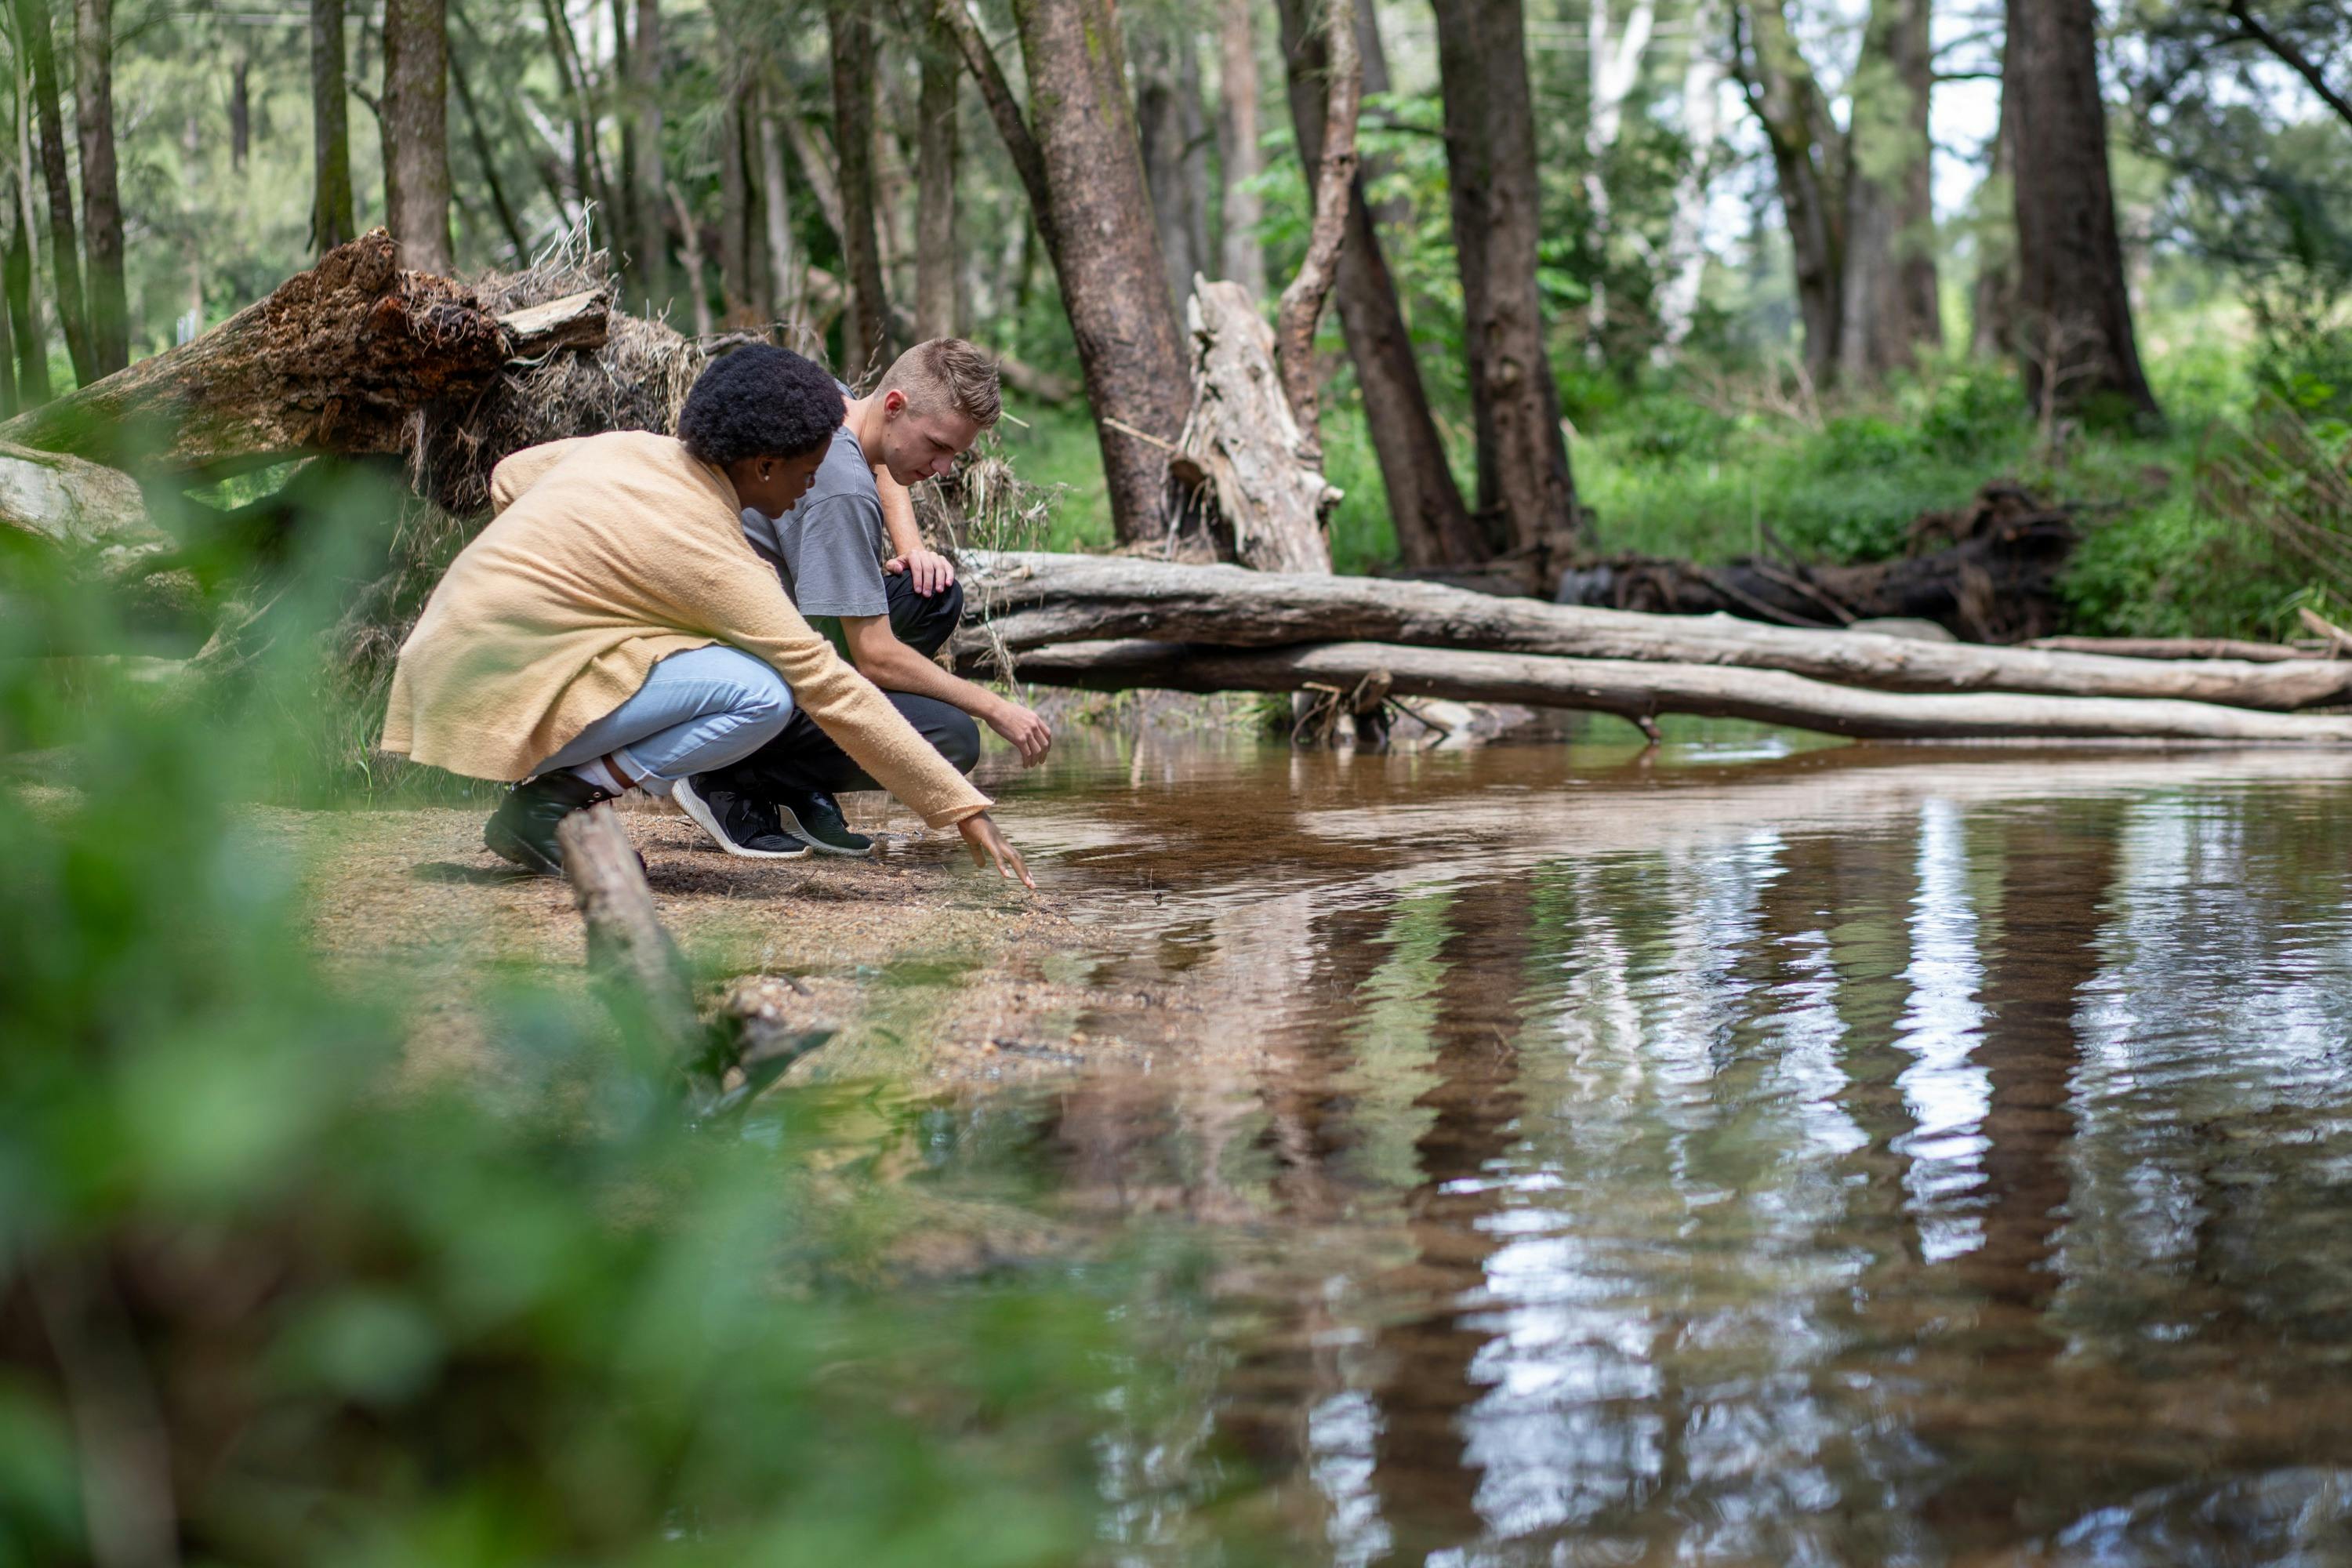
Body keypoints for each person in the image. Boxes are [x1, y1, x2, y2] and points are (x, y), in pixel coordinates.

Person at [378, 344, 1033, 887]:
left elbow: (511, 476)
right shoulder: (716, 557)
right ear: (765, 463)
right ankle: (549, 808)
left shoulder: (638, 450)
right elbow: (830, 684)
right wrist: (960, 806)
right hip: (486, 692)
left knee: (737, 667)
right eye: (806, 474)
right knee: (761, 693)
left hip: (455, 655)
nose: (811, 486)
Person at [673, 338, 1055, 859]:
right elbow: (875, 656)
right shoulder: (843, 489)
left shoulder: (833, 402)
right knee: (953, 737)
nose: (944, 469)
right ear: (895, 405)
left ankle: (788, 777)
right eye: (938, 447)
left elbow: (878, 458)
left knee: (932, 596)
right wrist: (996, 709)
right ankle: (726, 774)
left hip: (742, 629)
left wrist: (912, 548)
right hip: (721, 670)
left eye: (955, 455)